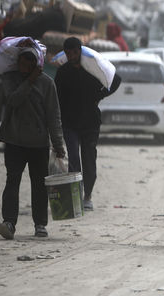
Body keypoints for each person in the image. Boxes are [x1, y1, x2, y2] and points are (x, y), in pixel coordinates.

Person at [0, 48, 66, 239]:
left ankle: (40, 224)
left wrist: (58, 144)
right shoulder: (9, 79)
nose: (24, 68)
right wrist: (30, 80)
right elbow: (13, 100)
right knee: (12, 182)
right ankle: (9, 222)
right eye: (22, 64)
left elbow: (54, 116)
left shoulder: (47, 84)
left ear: (36, 64)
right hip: (14, 141)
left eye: (29, 65)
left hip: (38, 144)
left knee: (39, 185)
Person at [55, 37, 121, 211]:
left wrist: (100, 95)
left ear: (80, 51)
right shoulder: (63, 72)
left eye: (75, 52)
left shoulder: (92, 70)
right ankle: (74, 196)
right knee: (74, 160)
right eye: (68, 53)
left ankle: (88, 196)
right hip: (70, 123)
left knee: (89, 159)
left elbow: (116, 80)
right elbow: (58, 98)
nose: (71, 56)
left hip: (90, 123)